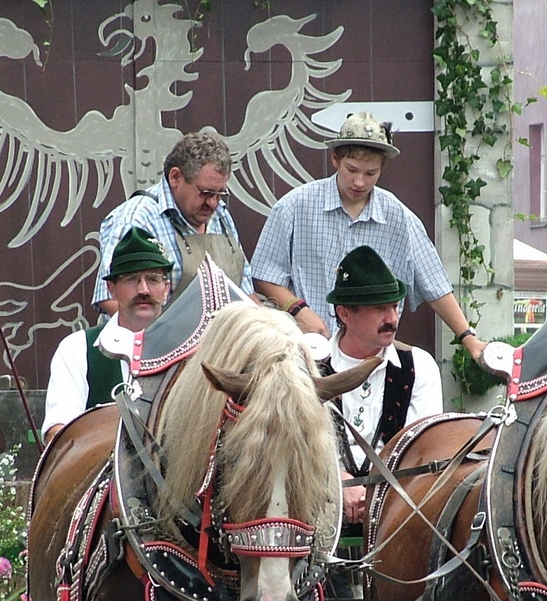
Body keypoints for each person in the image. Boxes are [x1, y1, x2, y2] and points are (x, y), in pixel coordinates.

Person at [251, 112, 488, 363]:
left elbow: (436, 286)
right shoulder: (294, 207)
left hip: (371, 358)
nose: (359, 182)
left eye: (371, 173)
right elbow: (264, 274)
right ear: (335, 159)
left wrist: (468, 338)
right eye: (351, 169)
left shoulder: (399, 217)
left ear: (382, 168)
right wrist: (299, 310)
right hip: (305, 351)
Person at [318, 246, 442, 526]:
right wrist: (336, 481)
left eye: (394, 306)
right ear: (345, 314)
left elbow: (422, 452)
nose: (392, 318)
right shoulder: (311, 365)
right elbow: (294, 447)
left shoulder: (418, 367)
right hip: (318, 508)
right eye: (379, 308)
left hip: (395, 513)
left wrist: (373, 493)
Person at [91, 132, 252, 311]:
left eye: (220, 194)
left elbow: (246, 295)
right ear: (175, 177)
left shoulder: (222, 217)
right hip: (156, 337)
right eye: (206, 193)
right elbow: (110, 300)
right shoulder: (137, 219)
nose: (213, 203)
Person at [44, 228, 174, 441]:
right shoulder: (78, 348)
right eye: (132, 279)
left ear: (166, 288)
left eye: (153, 279)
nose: (143, 290)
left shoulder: (188, 347)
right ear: (111, 289)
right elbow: (58, 435)